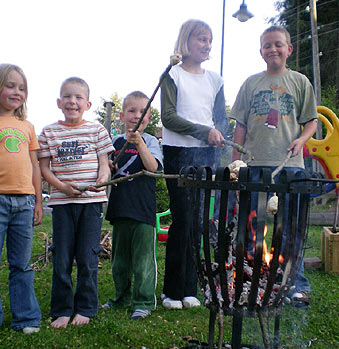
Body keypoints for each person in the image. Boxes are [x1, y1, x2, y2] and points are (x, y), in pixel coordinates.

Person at [231, 25, 318, 308]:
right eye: (267, 45)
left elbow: (311, 122)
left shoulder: (300, 82)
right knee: (251, 226)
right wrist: (236, 162)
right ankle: (249, 279)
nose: (273, 49)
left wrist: (301, 140)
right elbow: (240, 126)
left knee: (291, 228)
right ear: (261, 52)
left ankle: (296, 285)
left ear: (289, 49)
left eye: (278, 44)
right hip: (254, 166)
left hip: (290, 167)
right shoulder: (250, 83)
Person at [160, 19, 227, 309]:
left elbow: (219, 118)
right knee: (183, 219)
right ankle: (171, 291)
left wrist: (218, 134)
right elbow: (168, 118)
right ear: (186, 42)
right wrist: (204, 131)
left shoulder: (215, 79)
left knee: (199, 222)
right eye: (201, 39)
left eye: (209, 40)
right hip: (178, 151)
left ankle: (190, 289)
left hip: (205, 155)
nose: (207, 45)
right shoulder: (172, 74)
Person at [38, 77, 114, 328]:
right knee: (61, 257)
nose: (72, 101)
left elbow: (104, 166)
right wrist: (62, 188)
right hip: (62, 203)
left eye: (78, 97)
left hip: (91, 202)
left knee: (87, 256)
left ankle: (85, 307)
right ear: (59, 102)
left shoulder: (97, 131)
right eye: (67, 97)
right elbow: (45, 169)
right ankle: (62, 308)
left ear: (88, 103)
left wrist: (102, 180)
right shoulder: (49, 132)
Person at [103, 91, 163, 320]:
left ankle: (144, 301)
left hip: (143, 211)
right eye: (132, 111)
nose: (137, 116)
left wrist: (139, 144)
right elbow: (108, 170)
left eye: (142, 112)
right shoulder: (115, 142)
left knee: (143, 261)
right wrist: (108, 165)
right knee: (120, 261)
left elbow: (153, 167)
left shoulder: (151, 142)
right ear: (121, 115)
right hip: (120, 209)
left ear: (149, 117)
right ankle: (121, 297)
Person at [0, 63, 42, 334]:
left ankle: (26, 318)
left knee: (22, 265)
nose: (17, 92)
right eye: (10, 85)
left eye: (22, 88)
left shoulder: (26, 126)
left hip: (24, 202)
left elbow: (34, 165)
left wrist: (38, 201)